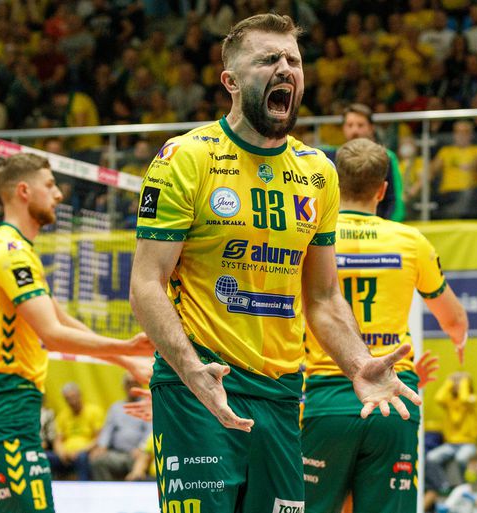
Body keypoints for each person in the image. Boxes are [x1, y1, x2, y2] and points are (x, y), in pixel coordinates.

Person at [130, 14, 421, 513]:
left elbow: (323, 297)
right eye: (268, 59)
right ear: (231, 81)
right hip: (200, 386)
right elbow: (146, 284)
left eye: (294, 60)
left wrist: (358, 363)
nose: (285, 68)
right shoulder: (186, 158)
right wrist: (191, 370)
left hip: (284, 396)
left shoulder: (318, 172)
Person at [0, 152, 153, 513]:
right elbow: (51, 334)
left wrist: (128, 361)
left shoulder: (19, 250)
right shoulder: (11, 253)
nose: (59, 194)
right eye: (49, 185)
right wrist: (127, 345)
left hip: (0, 403)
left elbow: (62, 321)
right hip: (5, 403)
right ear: (24, 191)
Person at [301, 138, 469, 513]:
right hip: (394, 400)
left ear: (335, 184)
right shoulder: (410, 241)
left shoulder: (311, 237)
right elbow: (454, 319)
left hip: (326, 397)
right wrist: (459, 338)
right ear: (382, 190)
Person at [320, 103, 406, 221]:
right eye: (350, 125)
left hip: (378, 227)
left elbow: (395, 201)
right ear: (343, 128)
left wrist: (388, 226)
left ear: (371, 128)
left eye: (360, 125)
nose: (355, 130)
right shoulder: (329, 157)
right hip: (339, 227)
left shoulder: (387, 157)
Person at [89, 374, 153, 481]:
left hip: (137, 453)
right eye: (129, 384)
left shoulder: (147, 406)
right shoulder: (115, 408)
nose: (132, 387)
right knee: (97, 460)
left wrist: (141, 448)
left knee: (139, 465)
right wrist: (102, 446)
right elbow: (107, 430)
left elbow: (150, 432)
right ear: (124, 386)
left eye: (135, 383)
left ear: (140, 386)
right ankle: (107, 490)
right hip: (115, 453)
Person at [426, 372, 477, 499]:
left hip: (468, 444)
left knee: (461, 458)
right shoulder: (449, 401)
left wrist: (464, 381)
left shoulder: (472, 399)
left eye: (459, 382)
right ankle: (443, 485)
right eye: (455, 382)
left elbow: (465, 399)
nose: (456, 384)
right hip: (450, 444)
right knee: (431, 457)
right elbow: (438, 398)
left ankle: (467, 488)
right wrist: (449, 382)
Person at [431, 121, 477, 219]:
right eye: (458, 132)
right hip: (448, 193)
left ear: (471, 135)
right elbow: (432, 170)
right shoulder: (445, 151)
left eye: (465, 132)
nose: (461, 135)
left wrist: (470, 166)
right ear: (454, 134)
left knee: (468, 193)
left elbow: (476, 164)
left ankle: (454, 216)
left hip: (469, 193)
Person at [54, 382, 105, 480]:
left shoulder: (94, 411)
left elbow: (99, 438)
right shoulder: (62, 415)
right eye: (68, 399)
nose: (72, 401)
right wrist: (61, 452)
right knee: (45, 458)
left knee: (81, 458)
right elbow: (58, 440)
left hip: (86, 452)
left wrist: (80, 451)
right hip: (66, 454)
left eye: (74, 397)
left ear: (80, 395)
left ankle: (83, 487)